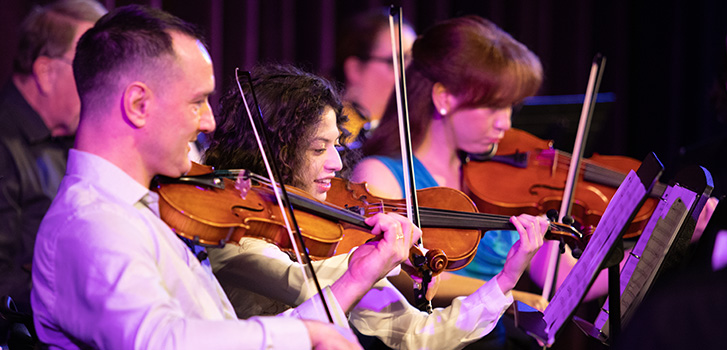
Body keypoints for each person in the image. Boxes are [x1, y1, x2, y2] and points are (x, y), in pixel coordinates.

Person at [30, 5, 416, 349]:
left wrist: (355, 279)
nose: (208, 121)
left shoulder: (146, 211)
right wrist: (306, 335)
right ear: (138, 105)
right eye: (196, 101)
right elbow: (158, 340)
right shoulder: (91, 222)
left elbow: (221, 335)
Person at [203, 63, 549, 350]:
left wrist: (506, 279)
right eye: (318, 149)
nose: (337, 164)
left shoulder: (325, 237)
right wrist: (379, 264)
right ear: (275, 150)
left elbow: (420, 334)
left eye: (336, 145)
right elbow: (305, 287)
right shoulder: (229, 234)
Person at [350, 15, 614, 349]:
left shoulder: (502, 179)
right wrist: (507, 291)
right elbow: (397, 278)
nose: (505, 123)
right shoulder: (380, 175)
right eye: (493, 106)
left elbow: (564, 278)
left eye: (510, 106)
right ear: (444, 97)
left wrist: (654, 244)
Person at [0, 0, 105, 343]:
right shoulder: (4, 145)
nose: (102, 87)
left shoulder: (74, 138)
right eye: (91, 69)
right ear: (46, 71)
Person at [333, 9, 416, 146]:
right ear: (354, 69)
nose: (410, 70)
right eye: (395, 61)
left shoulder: (410, 130)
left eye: (413, 61)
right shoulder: (334, 134)